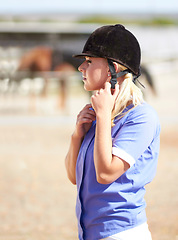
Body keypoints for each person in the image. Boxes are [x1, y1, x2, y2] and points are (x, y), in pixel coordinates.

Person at [65, 24, 160, 240]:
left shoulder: (141, 117)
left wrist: (104, 117)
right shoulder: (99, 112)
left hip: (121, 234)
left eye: (89, 61)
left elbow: (106, 173)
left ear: (112, 69)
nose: (81, 67)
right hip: (89, 234)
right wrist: (77, 136)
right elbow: (74, 177)